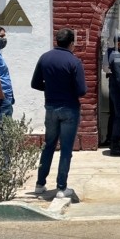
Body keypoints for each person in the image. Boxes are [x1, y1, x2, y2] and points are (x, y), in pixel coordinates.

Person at [31, 28, 87, 199]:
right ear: (71, 43)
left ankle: (40, 184)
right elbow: (82, 90)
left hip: (50, 107)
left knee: (48, 145)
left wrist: (51, 88)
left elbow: (35, 83)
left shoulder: (45, 58)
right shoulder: (74, 62)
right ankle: (61, 187)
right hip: (69, 108)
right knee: (66, 149)